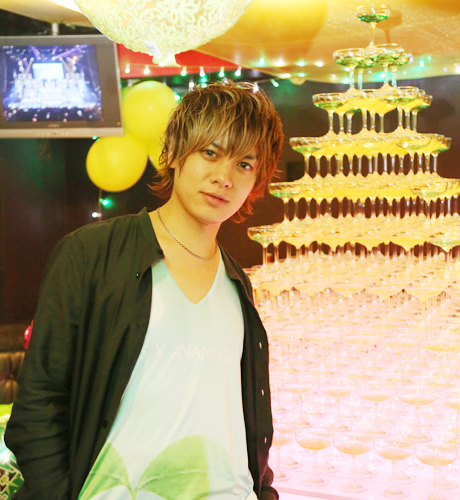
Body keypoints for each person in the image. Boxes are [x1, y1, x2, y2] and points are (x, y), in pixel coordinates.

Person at [5, 80, 284, 500]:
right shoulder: (92, 254)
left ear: (257, 180)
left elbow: (247, 422)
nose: (223, 177)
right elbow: (36, 410)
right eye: (210, 153)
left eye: (244, 164)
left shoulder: (237, 283)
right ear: (173, 152)